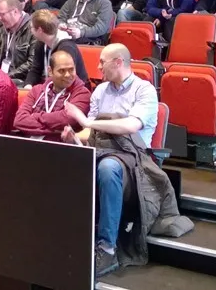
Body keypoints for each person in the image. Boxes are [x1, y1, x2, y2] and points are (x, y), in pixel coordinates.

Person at [57, 44, 164, 278]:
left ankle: (107, 247)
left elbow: (130, 126)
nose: (97, 67)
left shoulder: (144, 90)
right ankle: (67, 237)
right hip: (101, 148)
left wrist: (86, 123)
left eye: (102, 62)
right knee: (63, 160)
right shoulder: (100, 91)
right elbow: (91, 134)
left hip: (133, 158)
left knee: (107, 168)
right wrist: (75, 136)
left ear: (118, 62)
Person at [15, 50, 91, 141]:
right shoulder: (36, 90)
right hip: (28, 143)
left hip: (60, 147)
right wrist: (56, 130)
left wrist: (35, 117)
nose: (67, 75)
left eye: (71, 70)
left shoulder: (82, 94)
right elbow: (19, 120)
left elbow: (67, 119)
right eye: (62, 71)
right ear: (50, 71)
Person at [25, 9, 90, 88]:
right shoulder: (41, 43)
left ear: (39, 30)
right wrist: (28, 85)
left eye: (31, 28)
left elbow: (68, 78)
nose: (30, 31)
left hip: (73, 89)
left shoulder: (67, 48)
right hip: (51, 86)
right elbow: (36, 69)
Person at [0, 0, 36, 86]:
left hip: (22, 80)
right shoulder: (2, 30)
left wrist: (7, 76)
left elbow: (32, 63)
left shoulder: (33, 30)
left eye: (2, 14)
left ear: (15, 12)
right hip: (1, 78)